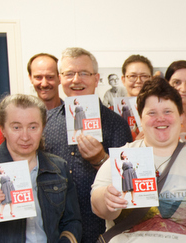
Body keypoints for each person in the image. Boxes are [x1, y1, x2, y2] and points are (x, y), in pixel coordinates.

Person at [91, 77, 186, 242]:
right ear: (140, 118)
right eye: (152, 113)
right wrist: (107, 198)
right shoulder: (120, 158)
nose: (160, 119)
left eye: (168, 111)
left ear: (181, 117)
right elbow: (98, 207)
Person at [43, 47, 133, 243]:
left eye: (84, 73)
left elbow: (129, 187)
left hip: (101, 230)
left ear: (96, 78)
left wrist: (100, 159)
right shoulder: (45, 122)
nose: (76, 80)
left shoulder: (116, 124)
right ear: (60, 78)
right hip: (56, 232)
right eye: (69, 74)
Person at [0, 94, 81, 242]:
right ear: (3, 129)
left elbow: (72, 221)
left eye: (33, 127)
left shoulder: (59, 167)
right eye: (16, 127)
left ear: (43, 127)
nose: (25, 137)